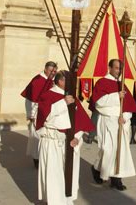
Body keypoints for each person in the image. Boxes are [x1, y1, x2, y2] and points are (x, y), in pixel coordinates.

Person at [36, 70, 94, 204]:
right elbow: (45, 117)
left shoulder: (71, 96)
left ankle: (67, 199)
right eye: (69, 81)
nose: (72, 84)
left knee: (69, 174)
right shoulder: (47, 95)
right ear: (60, 81)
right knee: (53, 173)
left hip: (69, 142)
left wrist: (77, 137)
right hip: (52, 141)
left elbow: (80, 120)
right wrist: (63, 103)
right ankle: (54, 201)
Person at [91, 59, 136, 191]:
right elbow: (99, 102)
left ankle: (116, 178)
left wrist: (125, 116)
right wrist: (116, 95)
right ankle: (97, 168)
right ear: (109, 68)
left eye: (120, 69)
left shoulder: (122, 85)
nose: (118, 71)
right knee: (107, 150)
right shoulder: (102, 82)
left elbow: (129, 106)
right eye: (116, 68)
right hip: (107, 120)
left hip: (120, 123)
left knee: (120, 151)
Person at [21, 61, 57, 168]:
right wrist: (31, 114)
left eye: (54, 71)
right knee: (36, 136)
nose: (53, 73)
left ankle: (44, 157)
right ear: (45, 69)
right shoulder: (37, 80)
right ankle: (36, 158)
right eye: (51, 71)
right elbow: (30, 99)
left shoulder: (53, 81)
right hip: (37, 112)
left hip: (49, 113)